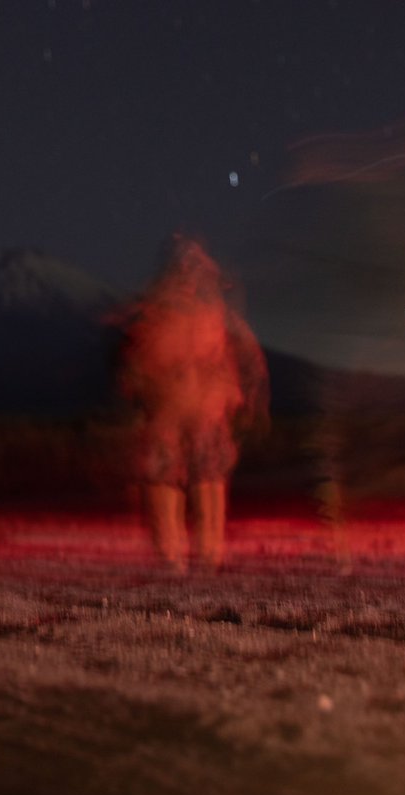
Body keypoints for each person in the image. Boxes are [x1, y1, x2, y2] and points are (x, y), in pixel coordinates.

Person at [117, 235, 268, 574]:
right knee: (164, 477)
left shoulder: (215, 318)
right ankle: (171, 555)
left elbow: (248, 361)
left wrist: (246, 400)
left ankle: (209, 554)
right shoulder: (156, 316)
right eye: (183, 268)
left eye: (193, 267)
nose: (188, 275)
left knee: (208, 477)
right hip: (170, 413)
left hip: (207, 411)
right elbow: (135, 367)